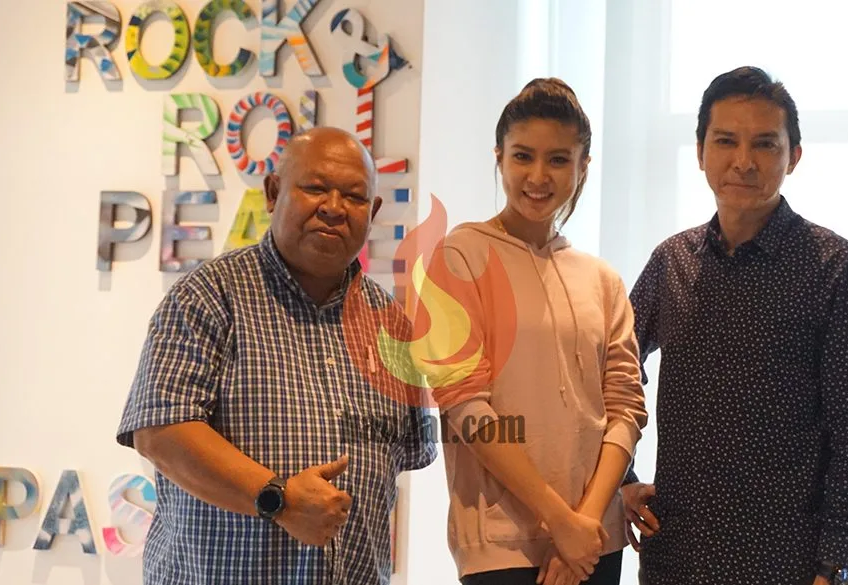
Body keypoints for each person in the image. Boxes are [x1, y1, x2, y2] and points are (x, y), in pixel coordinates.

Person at [115, 127, 436, 585]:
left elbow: (407, 455)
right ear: (272, 192)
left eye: (354, 196)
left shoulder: (393, 326)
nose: (334, 207)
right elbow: (160, 433)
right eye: (315, 187)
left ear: (374, 212)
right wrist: (278, 499)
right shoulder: (208, 296)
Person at [621, 66, 848, 585]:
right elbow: (609, 375)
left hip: (788, 562)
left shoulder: (835, 268)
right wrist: (622, 478)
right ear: (700, 150)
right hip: (676, 555)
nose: (743, 161)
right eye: (726, 140)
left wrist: (835, 564)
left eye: (765, 144)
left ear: (794, 156)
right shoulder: (672, 262)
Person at [418, 78, 648, 585]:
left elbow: (626, 408)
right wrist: (557, 520)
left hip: (595, 540)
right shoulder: (460, 256)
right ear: (499, 157)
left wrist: (584, 523)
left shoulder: (602, 280)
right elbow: (463, 405)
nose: (538, 176)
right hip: (501, 545)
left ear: (583, 166)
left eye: (559, 160)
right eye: (523, 156)